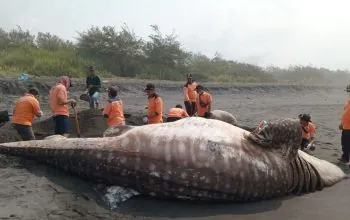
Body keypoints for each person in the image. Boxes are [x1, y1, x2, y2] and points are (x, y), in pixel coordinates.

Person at [338, 84, 350, 165]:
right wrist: (341, 123)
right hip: (345, 127)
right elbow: (345, 114)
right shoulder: (347, 102)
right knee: (344, 144)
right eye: (348, 91)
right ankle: (345, 158)